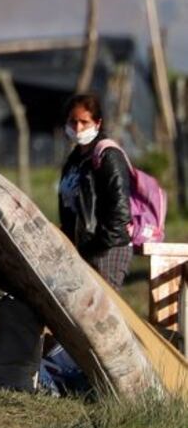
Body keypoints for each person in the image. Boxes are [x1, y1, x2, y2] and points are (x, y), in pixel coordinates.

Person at [58, 94, 132, 289]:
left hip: (105, 251)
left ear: (97, 123)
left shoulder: (108, 156)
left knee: (104, 313)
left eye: (84, 122)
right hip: (79, 250)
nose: (78, 128)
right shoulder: (74, 160)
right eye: (73, 122)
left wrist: (96, 247)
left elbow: (121, 212)